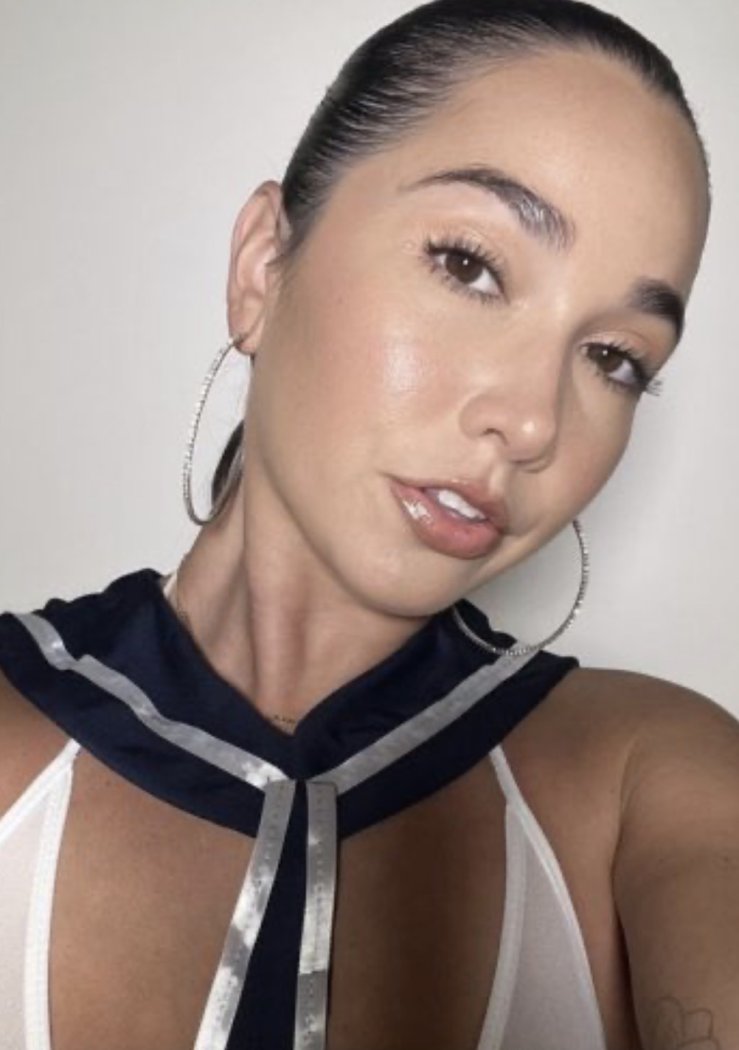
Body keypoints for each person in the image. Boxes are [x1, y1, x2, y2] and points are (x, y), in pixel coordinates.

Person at [0, 1, 736, 1048]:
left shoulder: (652, 784)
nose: (533, 421)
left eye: (614, 357)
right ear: (263, 266)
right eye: (469, 266)